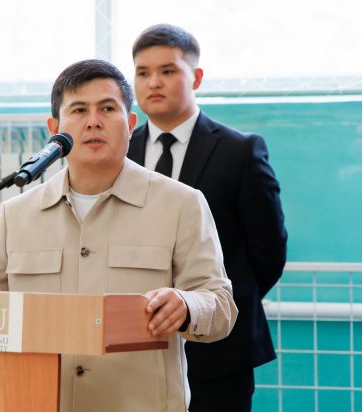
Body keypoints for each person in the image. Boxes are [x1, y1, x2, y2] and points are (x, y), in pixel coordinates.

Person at [0, 59, 237, 412]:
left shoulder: (181, 204)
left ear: (131, 124)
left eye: (108, 108)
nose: (93, 121)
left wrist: (187, 305)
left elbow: (220, 304)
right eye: (79, 110)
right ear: (54, 128)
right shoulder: (17, 214)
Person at [128, 24, 288, 412]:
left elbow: (268, 252)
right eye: (143, 72)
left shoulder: (240, 150)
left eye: (167, 71)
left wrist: (215, 305)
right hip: (134, 341)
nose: (153, 82)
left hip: (219, 350)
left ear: (196, 77)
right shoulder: (122, 152)